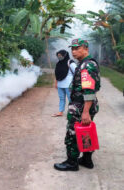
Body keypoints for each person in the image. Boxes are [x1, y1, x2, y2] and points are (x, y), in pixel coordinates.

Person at [54, 38, 101, 171]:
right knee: (86, 132)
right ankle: (87, 160)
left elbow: (89, 90)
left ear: (86, 48)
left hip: (81, 106)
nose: (73, 51)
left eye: (77, 48)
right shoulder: (85, 63)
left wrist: (85, 111)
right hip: (84, 105)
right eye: (72, 49)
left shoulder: (87, 66)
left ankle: (71, 163)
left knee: (72, 134)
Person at [52, 50, 76, 117]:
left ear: (65, 55)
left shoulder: (71, 63)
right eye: (58, 56)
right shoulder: (58, 63)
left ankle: (73, 112)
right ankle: (60, 111)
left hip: (69, 85)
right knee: (61, 98)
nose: (59, 57)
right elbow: (57, 74)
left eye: (61, 55)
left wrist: (74, 83)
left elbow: (77, 73)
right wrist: (56, 83)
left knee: (71, 99)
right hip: (60, 84)